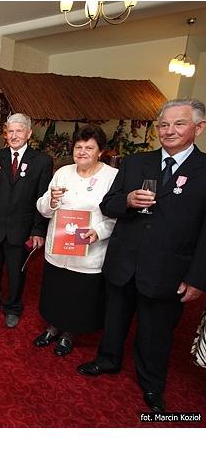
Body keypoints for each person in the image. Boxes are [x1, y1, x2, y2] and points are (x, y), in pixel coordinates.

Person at [77, 98, 206, 413]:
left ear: (199, 128)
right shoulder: (136, 163)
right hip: (124, 261)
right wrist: (128, 201)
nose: (169, 131)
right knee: (114, 318)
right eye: (163, 124)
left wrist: (197, 278)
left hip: (168, 268)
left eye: (179, 124)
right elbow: (108, 204)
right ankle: (107, 359)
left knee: (156, 330)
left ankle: (151, 382)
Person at [34, 125, 118, 355]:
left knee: (79, 294)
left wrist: (98, 231)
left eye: (89, 148)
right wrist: (51, 201)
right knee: (56, 290)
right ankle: (52, 328)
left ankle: (69, 334)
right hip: (59, 246)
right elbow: (42, 208)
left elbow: (116, 216)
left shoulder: (112, 177)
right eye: (78, 147)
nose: (82, 152)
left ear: (100, 151)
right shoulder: (63, 172)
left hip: (89, 249)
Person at [0, 113, 53, 327]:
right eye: (10, 131)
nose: (14, 135)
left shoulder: (42, 161)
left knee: (16, 272)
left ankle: (13, 308)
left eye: (19, 131)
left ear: (28, 133)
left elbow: (43, 198)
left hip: (21, 227)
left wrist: (38, 230)